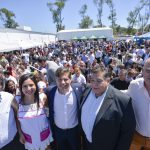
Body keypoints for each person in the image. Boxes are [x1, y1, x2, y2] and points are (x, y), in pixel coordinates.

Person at [80, 66, 136, 150]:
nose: (94, 84)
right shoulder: (87, 90)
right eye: (92, 80)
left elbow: (127, 132)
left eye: (99, 81)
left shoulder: (123, 101)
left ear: (108, 81)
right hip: (87, 145)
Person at [45, 67, 83, 150]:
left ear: (70, 79)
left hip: (74, 131)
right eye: (59, 80)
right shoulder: (50, 92)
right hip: (58, 131)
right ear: (55, 80)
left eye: (65, 79)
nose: (62, 82)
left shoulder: (78, 89)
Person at [17, 73, 53, 150]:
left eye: (31, 85)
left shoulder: (42, 97)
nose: (29, 89)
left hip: (44, 136)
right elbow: (17, 120)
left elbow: (49, 112)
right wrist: (20, 134)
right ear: (21, 87)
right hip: (29, 139)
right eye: (25, 86)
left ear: (36, 85)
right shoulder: (17, 102)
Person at [123, 58, 150, 150]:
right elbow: (124, 94)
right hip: (136, 137)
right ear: (142, 71)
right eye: (148, 71)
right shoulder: (134, 85)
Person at [0, 78, 25, 150]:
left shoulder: (8, 97)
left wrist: (20, 133)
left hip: (14, 140)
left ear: (1, 86)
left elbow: (18, 115)